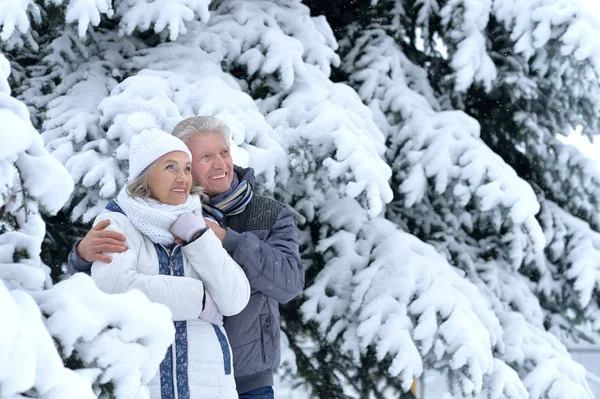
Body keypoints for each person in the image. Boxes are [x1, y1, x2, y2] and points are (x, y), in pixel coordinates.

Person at [68, 116, 305, 399]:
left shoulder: (268, 212)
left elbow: (288, 283)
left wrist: (227, 239)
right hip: (172, 373)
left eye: (224, 152)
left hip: (247, 377)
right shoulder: (158, 212)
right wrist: (82, 256)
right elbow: (106, 286)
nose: (220, 164)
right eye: (205, 157)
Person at [87, 125, 251, 398]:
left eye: (187, 168)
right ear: (145, 174)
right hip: (144, 381)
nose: (182, 178)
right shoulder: (117, 221)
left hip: (210, 384)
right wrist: (197, 300)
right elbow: (114, 287)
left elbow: (234, 299)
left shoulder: (197, 223)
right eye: (170, 167)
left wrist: (199, 237)